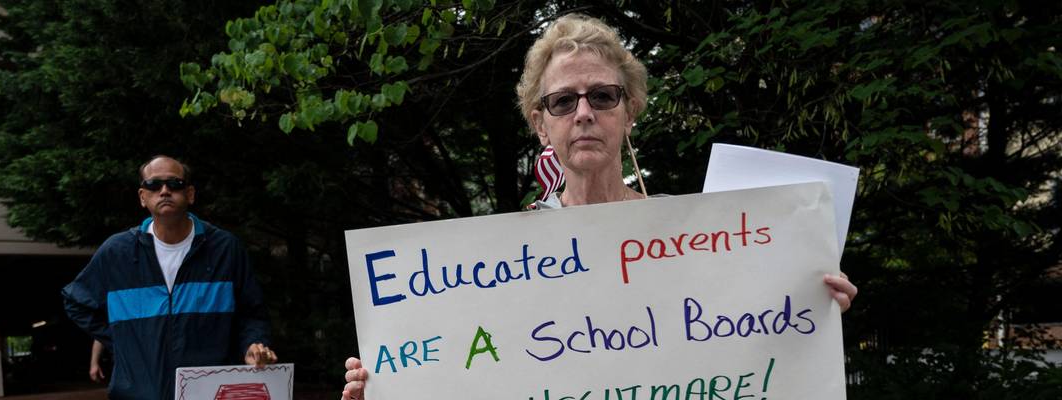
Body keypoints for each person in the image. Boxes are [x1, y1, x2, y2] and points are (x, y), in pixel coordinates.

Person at [340, 14, 858, 399]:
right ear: (541, 124)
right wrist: (388, 385)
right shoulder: (500, 262)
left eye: (602, 97)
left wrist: (810, 305)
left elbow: (746, 342)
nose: (583, 113)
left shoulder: (695, 239)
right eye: (563, 101)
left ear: (629, 111)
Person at [63, 155, 278, 399]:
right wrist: (126, 342)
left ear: (190, 194)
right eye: (154, 185)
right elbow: (76, 302)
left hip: (209, 391)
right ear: (143, 197)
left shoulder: (224, 248)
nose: (164, 191)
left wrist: (252, 343)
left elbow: (252, 312)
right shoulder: (117, 252)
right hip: (138, 393)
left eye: (174, 184)